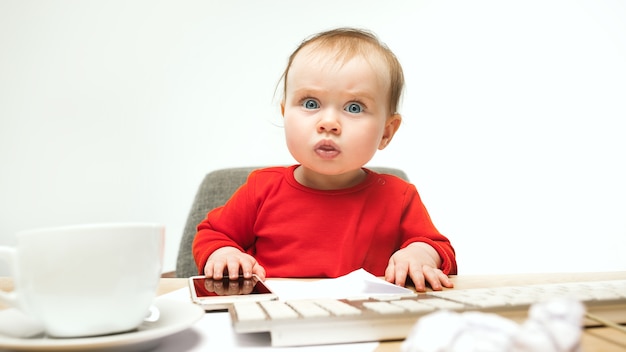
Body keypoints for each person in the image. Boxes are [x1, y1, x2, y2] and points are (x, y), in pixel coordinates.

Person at [193, 27, 457, 291]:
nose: (328, 123)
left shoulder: (399, 197)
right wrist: (224, 254)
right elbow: (214, 235)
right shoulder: (260, 189)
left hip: (362, 321)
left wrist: (420, 255)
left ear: (386, 132)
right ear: (285, 114)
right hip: (278, 318)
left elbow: (439, 248)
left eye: (354, 107)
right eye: (310, 104)